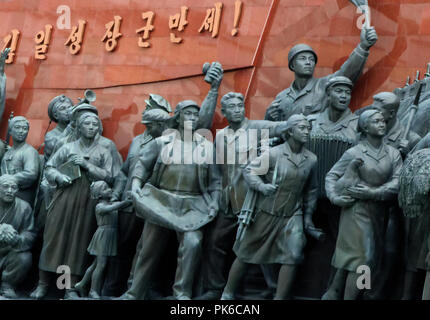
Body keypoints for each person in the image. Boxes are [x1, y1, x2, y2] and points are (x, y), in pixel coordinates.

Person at [196, 92, 293, 300]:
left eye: (240, 105)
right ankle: (215, 288)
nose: (238, 109)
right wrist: (215, 197)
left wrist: (300, 120)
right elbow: (216, 170)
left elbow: (282, 127)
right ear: (224, 112)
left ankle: (274, 288)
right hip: (227, 200)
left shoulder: (258, 128)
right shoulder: (221, 136)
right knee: (214, 242)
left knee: (258, 245)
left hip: (252, 200)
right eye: (232, 106)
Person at [121, 100, 220, 300]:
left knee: (193, 244)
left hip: (192, 205)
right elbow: (142, 164)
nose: (191, 118)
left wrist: (215, 201)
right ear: (178, 117)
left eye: (195, 115)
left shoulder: (207, 147)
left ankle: (181, 294)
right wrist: (135, 185)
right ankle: (134, 293)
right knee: (148, 248)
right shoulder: (162, 142)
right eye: (187, 114)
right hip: (161, 201)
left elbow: (216, 181)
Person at [221, 114, 318, 300]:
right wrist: (262, 186)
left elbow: (311, 190)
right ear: (289, 131)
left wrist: (308, 217)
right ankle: (228, 293)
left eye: (308, 128)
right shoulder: (273, 154)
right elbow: (249, 170)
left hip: (292, 214)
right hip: (266, 212)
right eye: (302, 128)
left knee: (294, 254)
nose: (307, 131)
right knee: (245, 253)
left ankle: (279, 298)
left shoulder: (311, 159)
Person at [30, 112, 115, 300]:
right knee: (54, 239)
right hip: (63, 198)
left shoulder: (104, 151)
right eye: (87, 124)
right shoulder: (67, 147)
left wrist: (87, 166)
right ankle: (43, 284)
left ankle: (69, 288)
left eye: (95, 124)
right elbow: (49, 168)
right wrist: (59, 177)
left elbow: (110, 176)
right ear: (79, 127)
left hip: (88, 201)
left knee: (77, 242)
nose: (92, 127)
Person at [323, 109, 402, 300]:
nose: (381, 124)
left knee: (362, 259)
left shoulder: (393, 153)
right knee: (363, 260)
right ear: (365, 127)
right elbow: (331, 176)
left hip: (378, 213)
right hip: (355, 213)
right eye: (376, 121)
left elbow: (398, 180)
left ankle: (333, 292)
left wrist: (375, 193)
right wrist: (335, 197)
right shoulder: (354, 152)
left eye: (383, 121)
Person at [265, 27, 378, 121]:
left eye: (311, 59)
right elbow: (271, 132)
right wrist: (268, 118)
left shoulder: (324, 85)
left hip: (318, 145)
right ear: (293, 65)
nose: (308, 62)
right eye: (303, 59)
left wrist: (363, 47)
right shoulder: (282, 97)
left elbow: (347, 72)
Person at [74, 181, 132, 299]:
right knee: (101, 264)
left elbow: (117, 205)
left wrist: (128, 200)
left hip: (110, 235)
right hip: (103, 236)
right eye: (105, 189)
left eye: (109, 187)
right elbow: (114, 207)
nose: (110, 189)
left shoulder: (111, 203)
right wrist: (125, 203)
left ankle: (82, 284)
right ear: (99, 195)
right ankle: (93, 290)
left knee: (96, 264)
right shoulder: (100, 206)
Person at [0, 175, 35, 299]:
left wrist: (17, 239)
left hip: (9, 251)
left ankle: (7, 284)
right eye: (5, 186)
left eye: (13, 187)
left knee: (25, 257)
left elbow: (30, 234)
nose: (9, 190)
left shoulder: (24, 207)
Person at [1, 116, 40, 206]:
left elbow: (31, 174)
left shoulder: (29, 151)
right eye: (17, 127)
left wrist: (9, 179)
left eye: (25, 128)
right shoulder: (8, 152)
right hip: (6, 195)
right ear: (10, 131)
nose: (21, 131)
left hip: (21, 196)